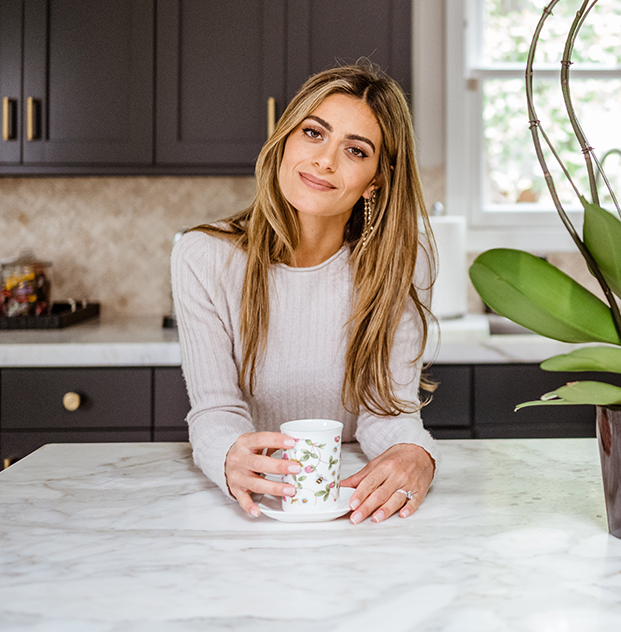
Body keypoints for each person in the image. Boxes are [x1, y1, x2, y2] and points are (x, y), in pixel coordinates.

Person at [171, 61, 438, 525]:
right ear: (285, 140)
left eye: (355, 150)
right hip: (257, 504)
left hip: (353, 500)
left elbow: (386, 411)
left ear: (375, 179)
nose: (326, 160)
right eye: (314, 133)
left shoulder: (402, 263)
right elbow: (216, 408)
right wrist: (228, 455)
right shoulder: (203, 256)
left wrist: (415, 454)